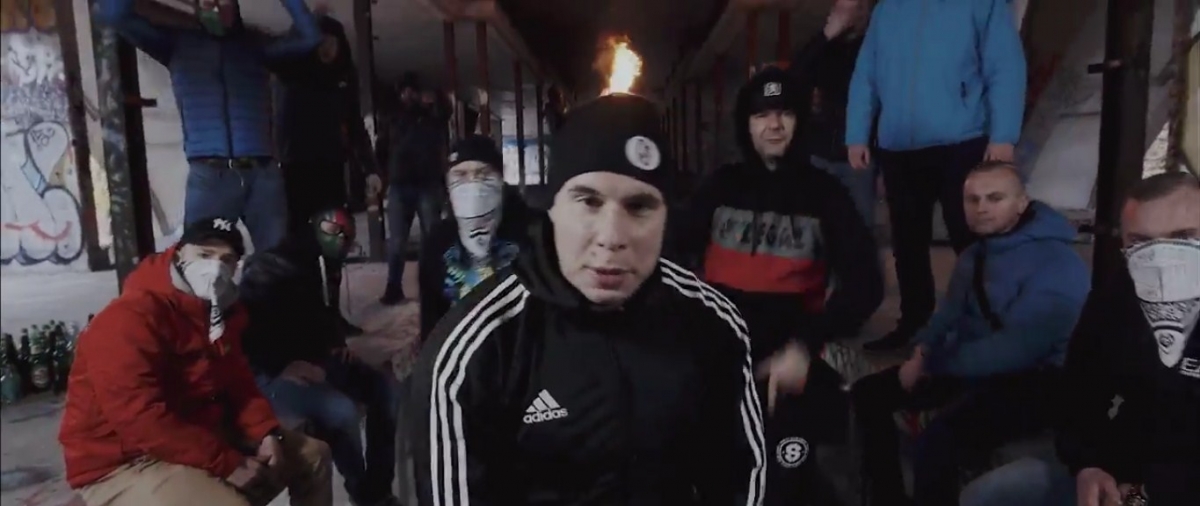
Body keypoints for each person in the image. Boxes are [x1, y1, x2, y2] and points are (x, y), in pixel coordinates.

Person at [408, 94, 766, 505]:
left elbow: (741, 478)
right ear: (552, 208)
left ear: (667, 217)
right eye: (589, 202)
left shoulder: (711, 324)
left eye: (639, 206)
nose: (611, 237)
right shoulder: (475, 352)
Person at [675, 66, 883, 505]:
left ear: (800, 121)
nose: (773, 125)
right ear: (746, 125)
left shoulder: (826, 194)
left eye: (784, 113)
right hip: (718, 356)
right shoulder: (719, 187)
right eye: (761, 115)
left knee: (789, 483)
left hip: (788, 362)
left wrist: (806, 346)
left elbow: (866, 283)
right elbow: (669, 256)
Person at [852, 162, 1090, 506]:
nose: (981, 208)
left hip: (1038, 379)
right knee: (869, 394)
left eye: (995, 198)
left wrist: (932, 364)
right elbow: (948, 315)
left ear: (1021, 203)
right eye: (972, 199)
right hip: (972, 364)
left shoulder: (1057, 263)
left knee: (940, 441)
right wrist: (921, 350)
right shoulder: (976, 255)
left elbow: (1019, 348)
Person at [58, 217, 332, 506]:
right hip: (124, 459)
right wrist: (226, 462)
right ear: (179, 253)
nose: (214, 266)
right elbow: (139, 418)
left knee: (314, 456)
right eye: (204, 254)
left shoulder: (222, 310)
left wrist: (265, 431)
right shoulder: (130, 318)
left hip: (196, 430)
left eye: (226, 259)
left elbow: (238, 381)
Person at [848, 0, 1027, 350]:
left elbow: (1005, 65)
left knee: (970, 238)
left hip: (962, 140)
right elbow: (866, 72)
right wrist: (857, 133)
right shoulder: (888, 9)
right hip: (898, 145)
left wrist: (1003, 135)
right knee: (907, 242)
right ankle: (913, 323)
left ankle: (984, 325)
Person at [97, 0, 321, 252]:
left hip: (262, 173)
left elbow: (310, 38)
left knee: (278, 260)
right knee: (200, 260)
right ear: (198, 9)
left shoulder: (255, 46)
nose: (216, 7)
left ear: (235, 7)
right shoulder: (176, 44)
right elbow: (114, 15)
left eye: (224, 2)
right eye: (207, 2)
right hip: (211, 175)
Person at [239, 207, 403, 506]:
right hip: (272, 371)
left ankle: (377, 490)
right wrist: (280, 366)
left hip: (315, 359)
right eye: (333, 230)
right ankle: (361, 491)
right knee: (342, 412)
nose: (340, 239)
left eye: (347, 235)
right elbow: (248, 335)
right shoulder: (272, 267)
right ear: (314, 227)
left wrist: (336, 341)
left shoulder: (323, 265)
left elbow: (320, 313)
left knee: (386, 391)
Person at [1056, 172, 1200, 506]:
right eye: (1142, 242)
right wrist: (1088, 465)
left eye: (1183, 237)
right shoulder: (1118, 294)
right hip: (1120, 472)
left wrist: (1144, 494)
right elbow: (1079, 392)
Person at [271, 15, 381, 334]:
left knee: (334, 242)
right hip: (294, 171)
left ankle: (332, 315)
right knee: (300, 248)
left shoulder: (343, 78)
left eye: (333, 43)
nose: (328, 50)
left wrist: (371, 168)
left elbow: (356, 128)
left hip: (331, 170)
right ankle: (305, 317)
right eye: (321, 43)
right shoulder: (288, 72)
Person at [417, 134, 528, 340]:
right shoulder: (437, 242)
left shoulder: (530, 230)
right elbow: (432, 318)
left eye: (483, 174)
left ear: (501, 179)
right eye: (460, 175)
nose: (473, 186)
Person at [788, 0, 876, 224]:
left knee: (858, 226)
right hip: (820, 154)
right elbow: (791, 80)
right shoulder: (825, 48)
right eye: (838, 7)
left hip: (858, 158)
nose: (839, 13)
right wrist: (825, 36)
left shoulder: (872, 48)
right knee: (816, 227)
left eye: (847, 9)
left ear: (861, 12)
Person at [381, 76, 448, 305]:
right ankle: (393, 288)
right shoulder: (393, 117)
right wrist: (383, 177)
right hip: (400, 186)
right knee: (397, 241)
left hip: (427, 184)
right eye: (405, 91)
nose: (409, 95)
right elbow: (382, 147)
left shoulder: (430, 116)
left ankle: (435, 286)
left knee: (432, 238)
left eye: (412, 91)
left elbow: (445, 112)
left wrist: (437, 97)